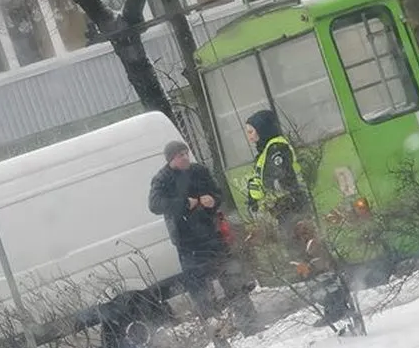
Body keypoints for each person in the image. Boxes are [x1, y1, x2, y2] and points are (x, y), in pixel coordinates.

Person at [244, 109, 351, 326]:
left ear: (262, 129)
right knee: (304, 260)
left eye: (251, 131)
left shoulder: (276, 149)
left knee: (311, 258)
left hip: (293, 212)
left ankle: (336, 305)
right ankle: (332, 304)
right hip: (285, 213)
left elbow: (279, 181)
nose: (250, 136)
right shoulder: (265, 151)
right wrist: (255, 195)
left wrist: (259, 190)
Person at [149, 140, 260, 334]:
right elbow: (155, 205)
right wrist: (184, 204)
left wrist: (213, 200)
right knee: (202, 293)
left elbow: (218, 193)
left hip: (212, 235)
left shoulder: (199, 171)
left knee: (231, 279)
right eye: (180, 155)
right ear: (171, 159)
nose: (185, 158)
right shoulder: (162, 179)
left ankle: (249, 323)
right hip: (188, 244)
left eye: (186, 153)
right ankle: (218, 333)